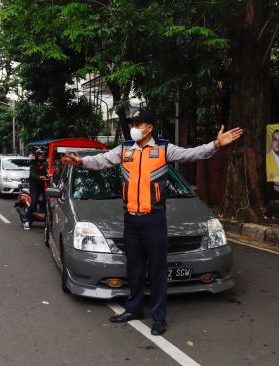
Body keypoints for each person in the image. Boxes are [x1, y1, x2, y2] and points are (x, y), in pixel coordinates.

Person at [60, 107, 244, 336]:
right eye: (132, 124)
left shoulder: (164, 149)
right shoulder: (125, 149)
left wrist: (215, 145)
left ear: (149, 127)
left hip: (154, 221)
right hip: (131, 220)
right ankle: (134, 308)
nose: (133, 128)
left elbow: (192, 154)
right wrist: (80, 161)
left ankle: (158, 317)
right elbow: (101, 161)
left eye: (137, 124)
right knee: (135, 269)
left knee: (157, 271)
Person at [23, 148, 48, 230]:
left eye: (43, 156)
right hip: (34, 186)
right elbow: (33, 175)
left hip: (43, 186)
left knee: (47, 201)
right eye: (41, 156)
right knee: (33, 203)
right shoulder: (33, 164)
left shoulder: (45, 164)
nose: (42, 157)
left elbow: (48, 173)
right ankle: (26, 220)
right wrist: (40, 177)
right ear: (37, 156)